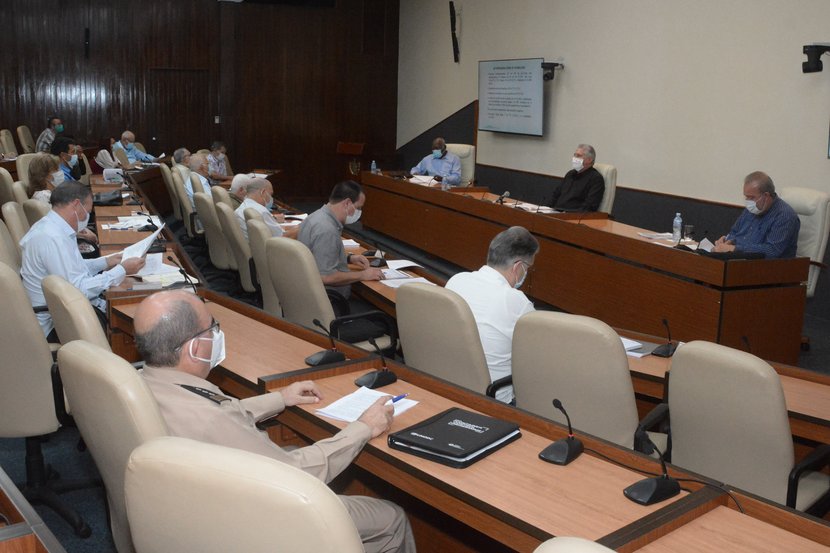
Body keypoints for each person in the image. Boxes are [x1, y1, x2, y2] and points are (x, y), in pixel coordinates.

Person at [134, 290, 416, 553]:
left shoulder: (144, 382)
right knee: (392, 519)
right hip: (255, 520)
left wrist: (280, 399)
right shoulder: (210, 419)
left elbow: (220, 412)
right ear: (195, 348)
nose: (217, 335)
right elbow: (297, 474)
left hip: (195, 507)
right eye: (212, 329)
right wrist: (363, 427)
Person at [20, 182, 145, 340]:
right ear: (77, 206)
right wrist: (122, 270)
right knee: (134, 319)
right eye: (88, 211)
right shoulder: (51, 238)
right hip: (57, 322)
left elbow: (74, 268)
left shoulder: (55, 228)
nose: (87, 216)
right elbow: (78, 289)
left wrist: (107, 261)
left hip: (67, 308)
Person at [445, 226, 538, 404]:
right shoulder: (516, 301)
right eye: (528, 268)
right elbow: (538, 358)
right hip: (494, 400)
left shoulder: (456, 280)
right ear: (518, 267)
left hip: (450, 385)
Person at [298, 180, 384, 299]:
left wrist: (348, 258)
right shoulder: (327, 229)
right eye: (358, 208)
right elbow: (326, 277)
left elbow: (316, 255)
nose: (359, 213)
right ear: (347, 203)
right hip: (330, 300)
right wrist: (362, 275)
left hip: (309, 294)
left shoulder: (315, 217)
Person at [714, 171, 800, 258]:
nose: (748, 201)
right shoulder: (752, 209)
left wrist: (734, 248)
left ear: (766, 196)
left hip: (767, 268)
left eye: (751, 197)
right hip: (739, 261)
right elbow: (734, 231)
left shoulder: (785, 216)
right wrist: (727, 240)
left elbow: (772, 251)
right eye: (746, 196)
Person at [549, 144, 605, 212]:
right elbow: (555, 195)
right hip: (555, 212)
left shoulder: (596, 179)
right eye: (574, 155)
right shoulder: (570, 174)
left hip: (573, 217)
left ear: (589, 160)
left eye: (578, 156)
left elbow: (589, 206)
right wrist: (547, 209)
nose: (574, 158)